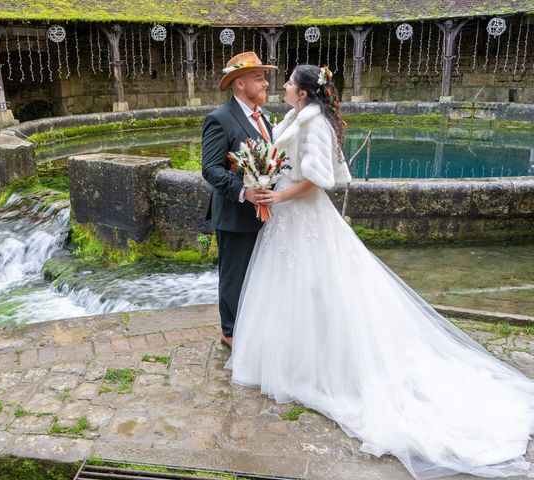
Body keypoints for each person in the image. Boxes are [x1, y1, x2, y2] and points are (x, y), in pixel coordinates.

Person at [227, 64, 534, 479]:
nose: (281, 85)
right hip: (288, 221)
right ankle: (298, 357)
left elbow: (319, 180)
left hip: (304, 218)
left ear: (302, 92)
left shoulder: (314, 122)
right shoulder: (296, 115)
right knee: (297, 291)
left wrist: (277, 195)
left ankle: (326, 366)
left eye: (288, 82)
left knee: (320, 288)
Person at [201, 51, 277, 350]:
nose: (266, 84)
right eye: (259, 78)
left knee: (258, 275)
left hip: (265, 213)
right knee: (234, 277)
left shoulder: (265, 118)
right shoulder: (219, 119)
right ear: (239, 84)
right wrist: (245, 191)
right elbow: (210, 168)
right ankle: (230, 333)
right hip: (234, 215)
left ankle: (253, 326)